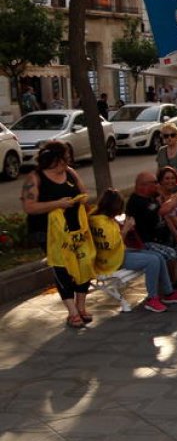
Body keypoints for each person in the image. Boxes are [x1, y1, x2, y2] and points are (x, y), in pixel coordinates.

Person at [22, 141, 92, 328]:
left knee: (84, 263)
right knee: (62, 267)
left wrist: (85, 205)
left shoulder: (69, 172)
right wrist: (57, 204)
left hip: (75, 228)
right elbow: (29, 207)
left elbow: (83, 193)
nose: (68, 160)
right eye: (65, 157)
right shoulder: (35, 178)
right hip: (48, 232)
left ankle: (81, 305)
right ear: (55, 158)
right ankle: (72, 311)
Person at [91, 189, 177, 313]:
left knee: (158, 256)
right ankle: (152, 298)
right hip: (113, 259)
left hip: (116, 254)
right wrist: (126, 229)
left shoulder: (97, 218)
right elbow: (113, 244)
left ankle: (168, 292)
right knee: (152, 260)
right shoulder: (103, 223)